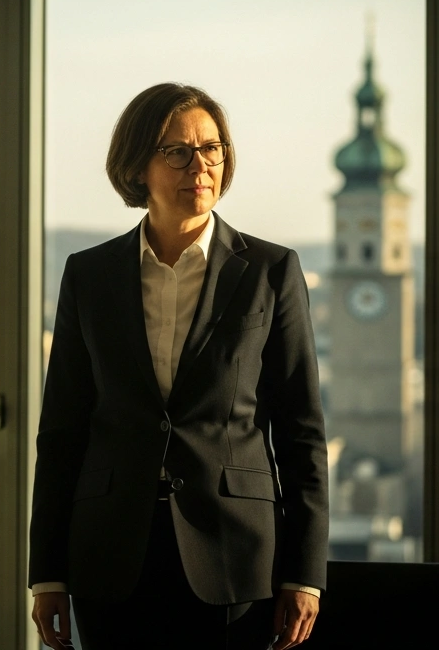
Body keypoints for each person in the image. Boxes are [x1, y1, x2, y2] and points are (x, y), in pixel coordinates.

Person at [28, 83, 329, 650]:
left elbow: (302, 433)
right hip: (109, 556)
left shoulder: (271, 271)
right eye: (178, 152)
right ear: (137, 166)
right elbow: (62, 432)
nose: (201, 165)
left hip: (235, 557)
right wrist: (47, 573)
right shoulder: (88, 276)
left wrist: (304, 573)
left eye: (212, 149)